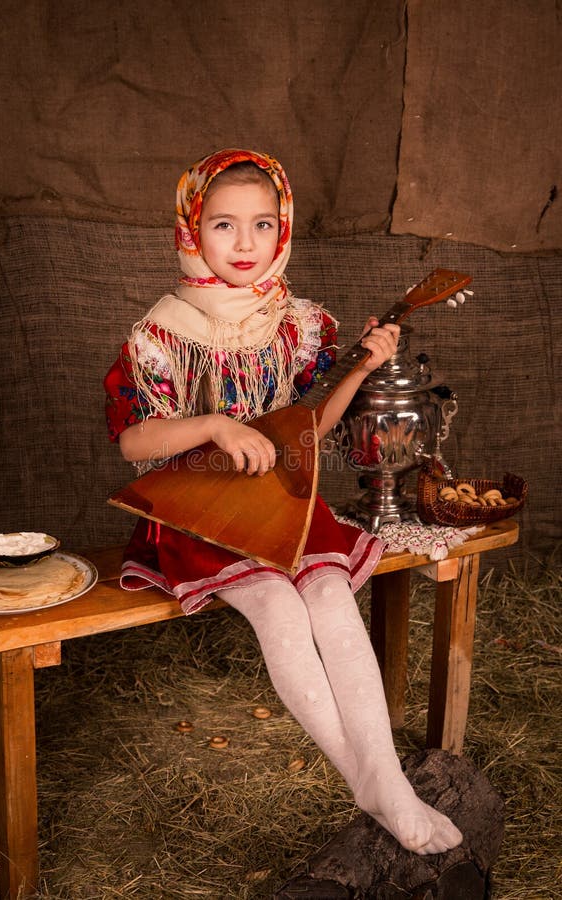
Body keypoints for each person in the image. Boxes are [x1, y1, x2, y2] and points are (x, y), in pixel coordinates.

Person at [104, 148, 463, 856]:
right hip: (197, 514)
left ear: (283, 229)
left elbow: (305, 434)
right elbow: (133, 445)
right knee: (275, 602)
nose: (245, 244)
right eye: (224, 226)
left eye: (262, 225)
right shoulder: (160, 333)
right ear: (190, 231)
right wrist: (212, 424)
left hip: (282, 501)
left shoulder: (298, 324)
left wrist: (360, 366)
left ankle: (381, 779)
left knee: (328, 593)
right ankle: (376, 784)